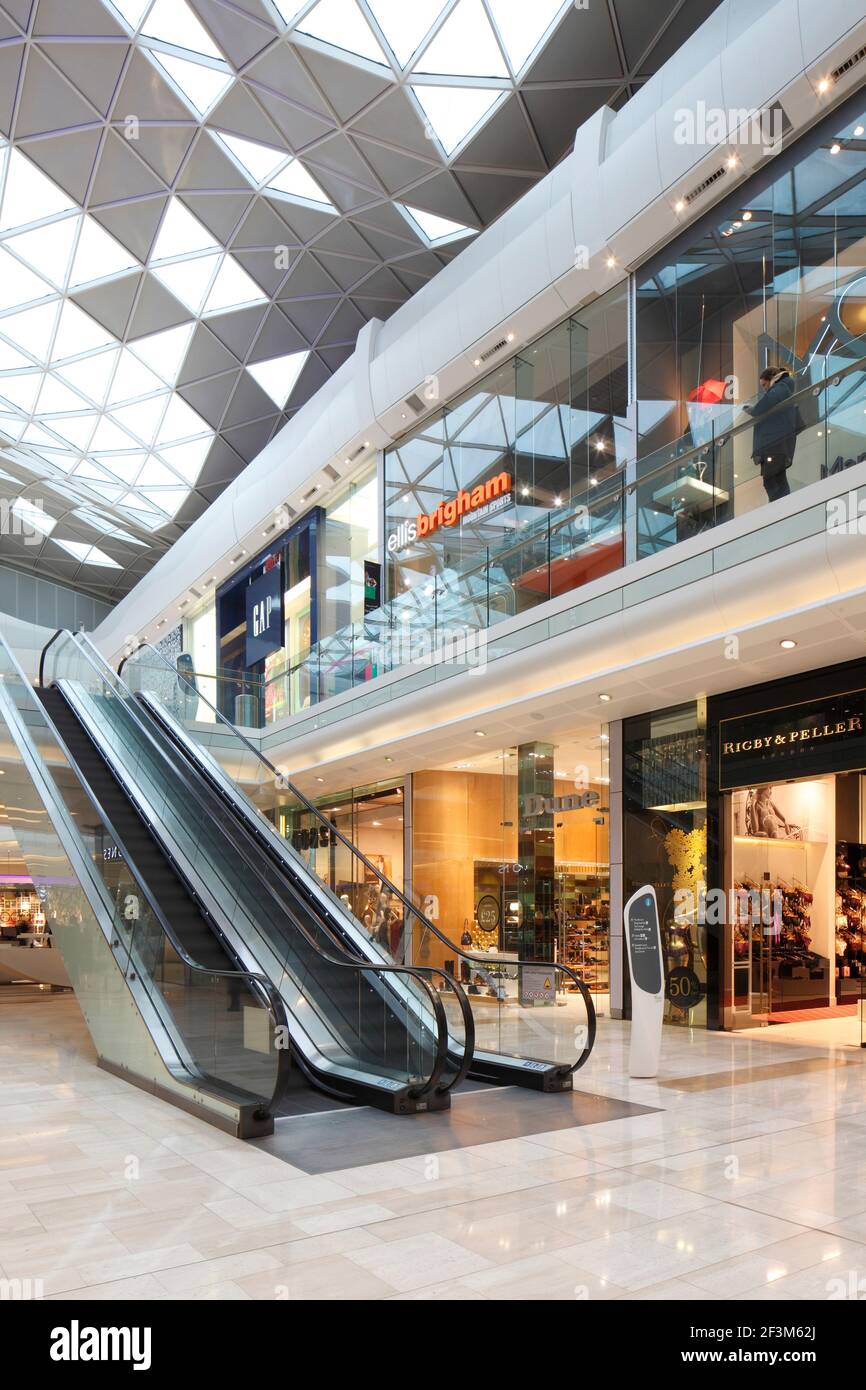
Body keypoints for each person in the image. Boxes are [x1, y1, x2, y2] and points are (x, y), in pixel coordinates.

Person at [744, 366, 798, 502]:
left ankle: (779, 506)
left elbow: (768, 402)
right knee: (777, 477)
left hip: (773, 443)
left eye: (764, 385)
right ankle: (783, 505)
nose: (764, 389)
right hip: (777, 442)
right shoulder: (783, 388)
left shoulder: (780, 388)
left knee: (770, 479)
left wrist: (754, 410)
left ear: (772, 379)